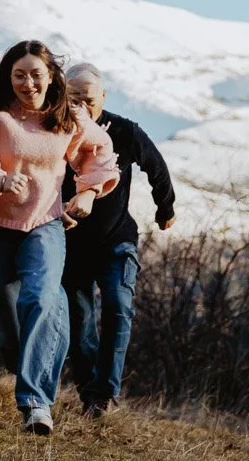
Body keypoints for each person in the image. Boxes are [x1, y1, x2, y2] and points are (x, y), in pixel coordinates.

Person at [0, 40, 118, 435]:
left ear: (52, 77)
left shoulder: (67, 116)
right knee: (13, 324)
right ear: (8, 77)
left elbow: (99, 150)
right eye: (19, 75)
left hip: (44, 223)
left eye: (36, 74)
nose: (28, 83)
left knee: (41, 298)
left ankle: (36, 405)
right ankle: (27, 360)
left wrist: (86, 191)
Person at [60, 63, 176, 418]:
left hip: (116, 240)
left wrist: (165, 208)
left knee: (118, 305)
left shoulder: (125, 131)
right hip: (70, 244)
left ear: (103, 98)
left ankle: (106, 393)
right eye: (73, 98)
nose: (81, 106)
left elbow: (155, 166)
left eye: (88, 99)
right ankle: (89, 392)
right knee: (79, 323)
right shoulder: (54, 132)